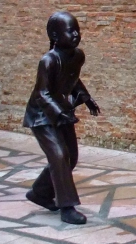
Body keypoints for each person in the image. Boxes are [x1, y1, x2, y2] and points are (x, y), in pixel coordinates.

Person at [23, 11, 100, 224]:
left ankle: (40, 193)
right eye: (70, 31)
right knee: (58, 155)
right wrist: (58, 112)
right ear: (55, 36)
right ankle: (67, 207)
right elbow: (42, 94)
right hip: (42, 115)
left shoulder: (78, 56)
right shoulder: (48, 60)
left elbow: (73, 79)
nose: (76, 35)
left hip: (62, 111)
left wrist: (86, 98)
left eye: (77, 30)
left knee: (70, 157)